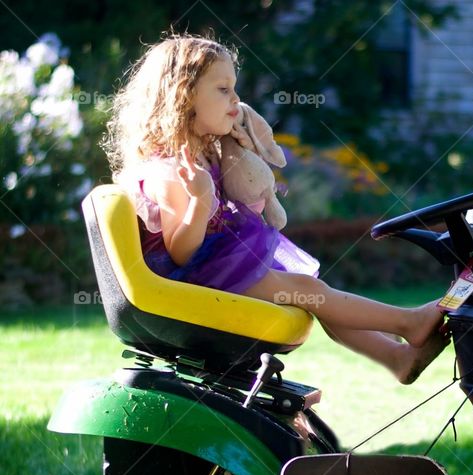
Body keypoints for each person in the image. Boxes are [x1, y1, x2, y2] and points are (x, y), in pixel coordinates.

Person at [104, 34, 448, 384]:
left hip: (217, 269)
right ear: (183, 96)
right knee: (311, 292)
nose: (236, 100)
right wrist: (198, 200)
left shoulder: (202, 157)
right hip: (200, 279)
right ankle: (408, 323)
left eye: (234, 88)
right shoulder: (170, 170)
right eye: (223, 89)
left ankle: (396, 357)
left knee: (311, 292)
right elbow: (182, 253)